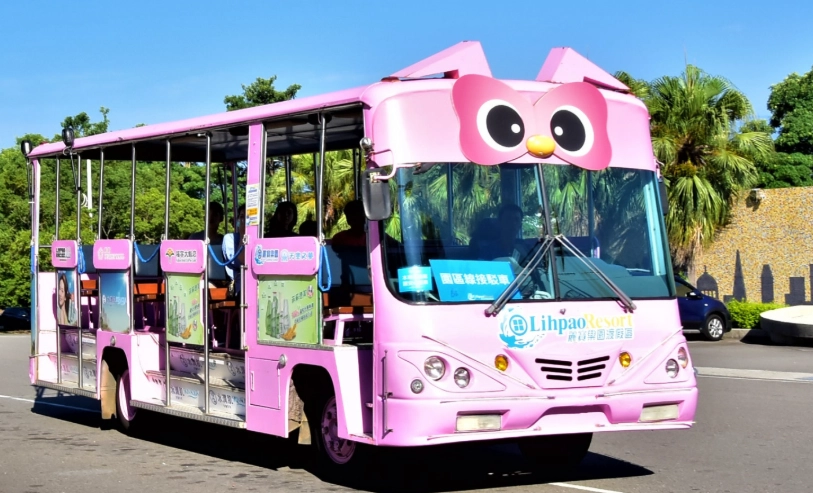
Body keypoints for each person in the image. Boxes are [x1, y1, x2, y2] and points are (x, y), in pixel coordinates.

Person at [222, 205, 246, 297]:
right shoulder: (229, 239)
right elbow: (242, 260)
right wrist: (243, 234)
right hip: (242, 285)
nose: (245, 220)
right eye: (242, 217)